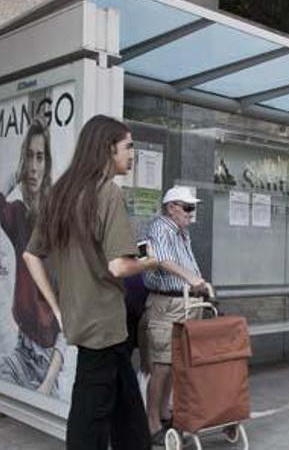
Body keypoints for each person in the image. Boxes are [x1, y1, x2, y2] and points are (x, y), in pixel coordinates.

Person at [22, 115, 159, 450]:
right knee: (89, 418)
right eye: (128, 147)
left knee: (127, 411)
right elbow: (118, 265)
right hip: (104, 327)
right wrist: (149, 261)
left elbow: (31, 255)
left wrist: (58, 308)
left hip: (89, 323)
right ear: (108, 148)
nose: (132, 154)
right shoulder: (107, 193)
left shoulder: (61, 194)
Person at [141, 186, 209, 443]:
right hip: (167, 305)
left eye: (194, 208)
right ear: (172, 208)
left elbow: (185, 261)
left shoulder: (181, 232)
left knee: (174, 364)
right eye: (188, 208)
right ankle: (152, 423)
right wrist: (192, 279)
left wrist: (199, 285)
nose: (192, 214)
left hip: (184, 303)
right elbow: (163, 261)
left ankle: (165, 413)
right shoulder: (160, 227)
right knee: (163, 365)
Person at [0, 122, 63, 395]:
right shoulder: (17, 216)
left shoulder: (57, 222)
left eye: (40, 157)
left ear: (48, 164)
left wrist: (48, 382)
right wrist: (16, 173)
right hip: (21, 352)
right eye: (29, 156)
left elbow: (68, 309)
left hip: (49, 363)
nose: (34, 167)